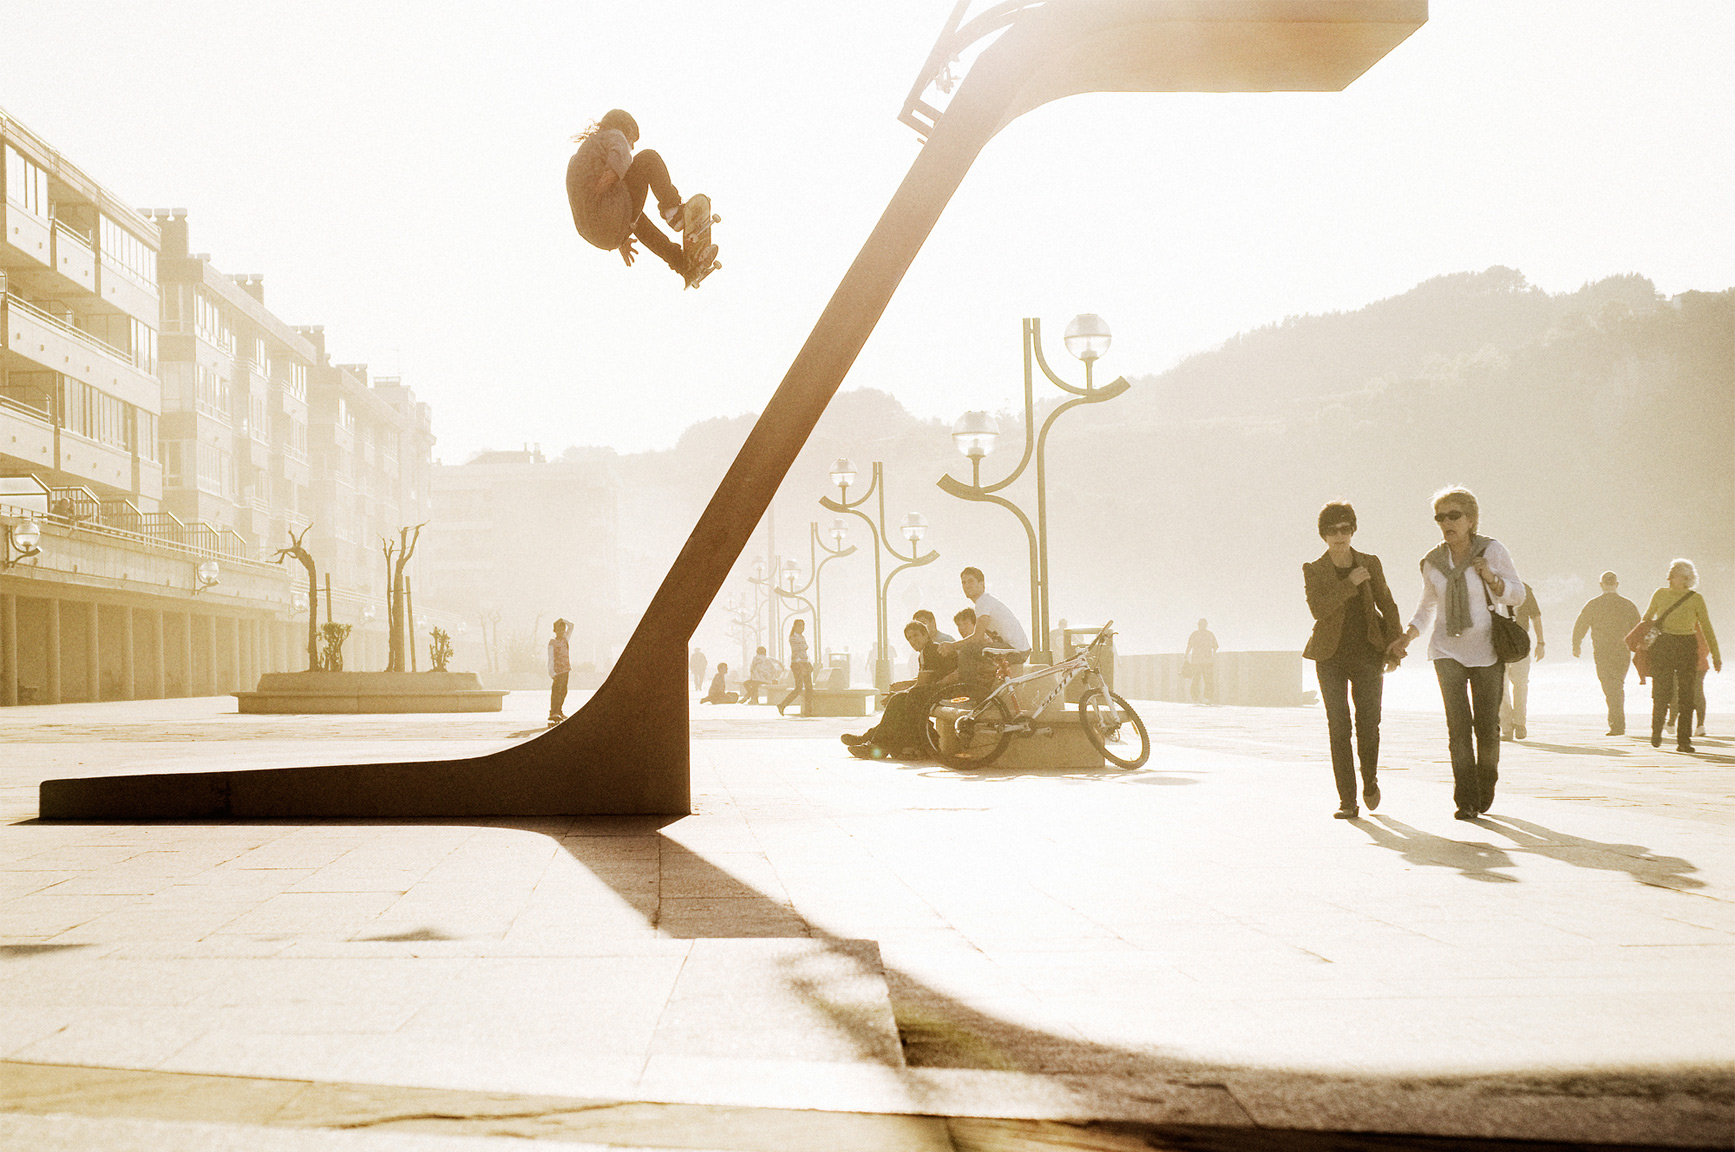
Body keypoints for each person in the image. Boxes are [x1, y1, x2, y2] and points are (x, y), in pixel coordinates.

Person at [1387, 486, 1525, 820]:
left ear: (1471, 519)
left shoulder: (1491, 550)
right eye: (1440, 517)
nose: (1446, 522)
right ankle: (1465, 798)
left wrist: (1491, 578)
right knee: (1458, 728)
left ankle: (1485, 785)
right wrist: (1408, 635)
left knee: (1487, 727)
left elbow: (1517, 595)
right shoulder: (1432, 562)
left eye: (1454, 515)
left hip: (1487, 650)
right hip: (1446, 649)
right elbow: (1427, 605)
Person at [1302, 502, 1403, 820]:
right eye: (1332, 530)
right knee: (1338, 727)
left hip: (1368, 653)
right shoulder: (1313, 569)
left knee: (1369, 725)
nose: (1339, 535)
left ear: (1353, 530)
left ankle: (1370, 782)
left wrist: (1395, 646)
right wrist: (1349, 584)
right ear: (1323, 535)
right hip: (1329, 657)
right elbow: (1319, 610)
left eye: (1345, 528)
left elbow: (1387, 603)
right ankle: (1347, 799)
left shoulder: (1370, 562)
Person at [565, 109, 713, 285]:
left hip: (597, 232)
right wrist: (602, 187)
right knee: (648, 159)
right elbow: (618, 163)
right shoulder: (614, 135)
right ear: (626, 129)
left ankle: (682, 263)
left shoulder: (582, 155)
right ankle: (674, 212)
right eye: (632, 140)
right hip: (607, 211)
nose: (632, 147)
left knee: (636, 220)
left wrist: (619, 237)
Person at [841, 621, 958, 759]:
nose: (913, 641)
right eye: (909, 638)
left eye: (916, 636)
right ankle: (873, 740)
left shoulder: (930, 650)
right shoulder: (927, 651)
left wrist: (901, 692)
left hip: (949, 691)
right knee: (900, 699)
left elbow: (922, 683)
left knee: (900, 699)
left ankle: (877, 743)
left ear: (926, 635)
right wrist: (903, 689)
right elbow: (925, 680)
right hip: (940, 690)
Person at [1640, 559, 1720, 753]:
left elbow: (1707, 627)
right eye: (1673, 573)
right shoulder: (1660, 594)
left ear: (1687, 579)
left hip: (1686, 645)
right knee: (1662, 691)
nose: (1674, 577)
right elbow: (1647, 617)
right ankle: (1656, 730)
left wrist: (1716, 655)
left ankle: (1684, 741)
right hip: (1664, 644)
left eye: (1679, 575)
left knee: (1686, 695)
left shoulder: (1696, 598)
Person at [1572, 572, 1640, 735]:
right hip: (1622, 650)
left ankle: (1617, 724)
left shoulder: (1593, 604)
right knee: (1617, 685)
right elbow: (1638, 628)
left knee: (1610, 686)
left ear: (1601, 585)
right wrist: (1640, 648)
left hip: (1602, 651)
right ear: (1617, 584)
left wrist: (1576, 644)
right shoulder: (1627, 604)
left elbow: (1580, 625)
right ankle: (1617, 723)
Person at [1499, 583, 1546, 741]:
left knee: (1513, 683)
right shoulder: (1489, 586)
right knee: (1505, 684)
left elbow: (1535, 616)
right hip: (1501, 642)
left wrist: (1541, 643)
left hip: (1518, 642)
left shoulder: (1524, 589)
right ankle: (1509, 726)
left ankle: (1517, 724)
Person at [779, 619, 814, 716]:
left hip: (805, 663)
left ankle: (808, 710)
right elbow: (795, 651)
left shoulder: (802, 637)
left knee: (809, 688)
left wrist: (807, 662)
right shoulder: (793, 637)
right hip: (797, 664)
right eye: (799, 626)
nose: (801, 628)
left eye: (803, 626)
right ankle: (782, 705)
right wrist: (800, 664)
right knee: (799, 688)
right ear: (795, 626)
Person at [1184, 620, 1218, 704]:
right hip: (1200, 661)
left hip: (1202, 661)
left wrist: (1186, 655)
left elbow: (1189, 646)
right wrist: (1186, 655)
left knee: (1204, 680)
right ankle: (1200, 698)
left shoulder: (1197, 634)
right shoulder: (1208, 634)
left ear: (1205, 625)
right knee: (1200, 680)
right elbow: (1215, 647)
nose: (1200, 626)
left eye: (1201, 624)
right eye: (1200, 624)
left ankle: (1202, 698)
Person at [546, 618, 573, 725]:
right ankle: (553, 711)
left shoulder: (565, 639)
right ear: (555, 630)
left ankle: (559, 710)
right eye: (559, 630)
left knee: (564, 691)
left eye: (563, 630)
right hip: (557, 671)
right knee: (556, 692)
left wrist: (563, 620)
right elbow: (550, 658)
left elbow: (571, 626)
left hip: (566, 669)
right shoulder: (552, 642)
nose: (561, 632)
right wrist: (551, 672)